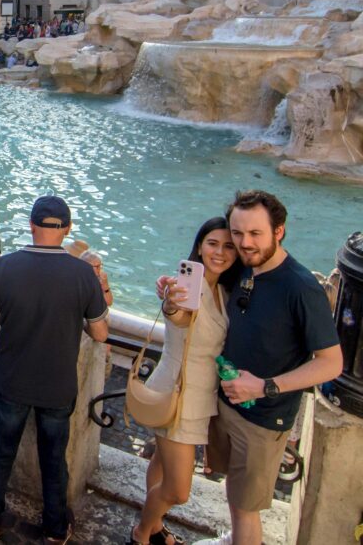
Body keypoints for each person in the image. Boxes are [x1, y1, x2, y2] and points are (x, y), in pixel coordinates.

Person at [191, 191, 341, 545]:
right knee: (237, 493)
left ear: (279, 231)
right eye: (238, 233)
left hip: (262, 418)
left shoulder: (301, 288)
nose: (245, 243)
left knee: (246, 508)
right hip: (227, 404)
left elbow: (332, 364)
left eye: (255, 233)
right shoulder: (244, 267)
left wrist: (264, 387)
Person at [0, 195, 109, 542]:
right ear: (67, 229)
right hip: (57, 386)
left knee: (2, 450)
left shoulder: (4, 266)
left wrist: (11, 312)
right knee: (54, 459)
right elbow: (99, 332)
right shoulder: (82, 273)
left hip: (11, 379)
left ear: (31, 225)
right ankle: (55, 528)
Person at [129, 218, 240, 545]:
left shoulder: (222, 289)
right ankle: (140, 534)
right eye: (212, 243)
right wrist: (170, 301)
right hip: (178, 396)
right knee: (178, 490)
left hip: (197, 397)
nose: (219, 252)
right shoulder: (188, 286)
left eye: (228, 245)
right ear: (199, 246)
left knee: (161, 464)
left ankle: (155, 527)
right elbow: (176, 311)